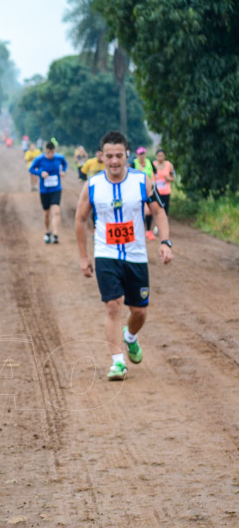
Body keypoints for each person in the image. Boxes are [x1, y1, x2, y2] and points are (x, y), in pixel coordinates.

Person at [73, 130, 172, 381]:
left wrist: (165, 242)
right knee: (112, 305)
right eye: (109, 156)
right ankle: (117, 363)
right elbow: (80, 219)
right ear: (101, 157)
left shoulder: (142, 181)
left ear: (127, 155)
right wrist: (84, 257)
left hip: (136, 255)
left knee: (139, 311)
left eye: (119, 156)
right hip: (106, 254)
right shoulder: (92, 185)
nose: (114, 161)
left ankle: (130, 337)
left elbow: (158, 212)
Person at [29, 141, 68, 244]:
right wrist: (40, 173)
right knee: (47, 213)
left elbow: (65, 164)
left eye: (52, 152)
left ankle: (55, 234)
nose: (50, 154)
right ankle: (47, 232)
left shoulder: (59, 157)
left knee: (56, 211)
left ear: (54, 150)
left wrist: (63, 171)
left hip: (56, 189)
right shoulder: (39, 159)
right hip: (44, 190)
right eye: (48, 152)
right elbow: (31, 169)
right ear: (46, 151)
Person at [132, 146, 157, 239]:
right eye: (140, 154)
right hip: (135, 191)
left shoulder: (149, 162)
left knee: (148, 212)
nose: (142, 156)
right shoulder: (133, 163)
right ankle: (136, 230)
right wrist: (139, 170)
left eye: (143, 153)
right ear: (136, 155)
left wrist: (155, 181)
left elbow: (155, 171)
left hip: (147, 190)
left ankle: (148, 231)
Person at [152, 149, 176, 215]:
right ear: (156, 156)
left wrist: (168, 178)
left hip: (166, 192)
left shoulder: (169, 165)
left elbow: (173, 178)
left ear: (164, 156)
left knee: (165, 211)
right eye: (159, 156)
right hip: (155, 192)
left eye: (162, 155)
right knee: (156, 211)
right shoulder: (152, 165)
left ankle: (165, 224)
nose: (160, 157)